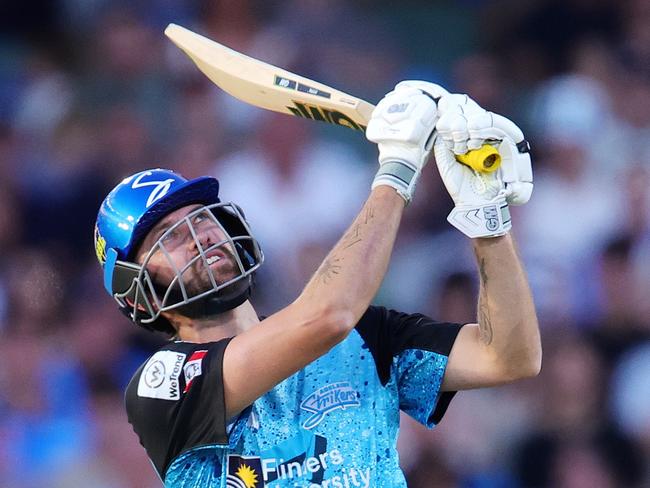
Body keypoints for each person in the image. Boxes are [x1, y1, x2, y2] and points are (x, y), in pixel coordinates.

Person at [94, 81, 540, 487]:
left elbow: (508, 357)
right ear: (138, 290)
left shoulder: (364, 335)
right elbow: (326, 317)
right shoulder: (160, 385)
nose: (201, 235)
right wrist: (398, 169)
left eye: (200, 218)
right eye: (169, 237)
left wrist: (487, 217)